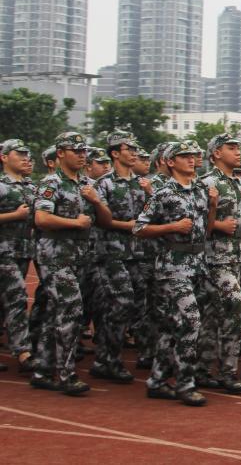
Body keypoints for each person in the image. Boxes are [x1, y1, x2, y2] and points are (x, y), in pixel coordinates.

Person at [133, 140, 218, 407]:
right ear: (170, 162)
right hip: (173, 265)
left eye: (193, 155)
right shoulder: (163, 193)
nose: (192, 159)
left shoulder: (201, 190)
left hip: (197, 263)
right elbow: (139, 228)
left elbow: (206, 229)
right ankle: (185, 383)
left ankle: (157, 381)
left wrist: (214, 205)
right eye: (184, 156)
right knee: (191, 320)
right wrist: (171, 227)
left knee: (173, 325)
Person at [30, 131, 111, 396]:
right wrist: (75, 223)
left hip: (80, 256)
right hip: (55, 256)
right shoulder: (51, 183)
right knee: (71, 309)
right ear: (60, 153)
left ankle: (42, 370)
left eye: (83, 151)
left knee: (57, 312)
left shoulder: (88, 184)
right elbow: (42, 219)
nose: (81, 155)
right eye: (76, 151)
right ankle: (66, 374)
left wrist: (96, 201)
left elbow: (105, 220)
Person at [198, 133, 241, 393]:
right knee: (235, 307)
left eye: (238, 147)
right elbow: (195, 221)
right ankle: (227, 371)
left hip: (237, 256)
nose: (238, 152)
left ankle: (203, 369)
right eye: (231, 148)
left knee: (213, 314)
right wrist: (218, 225)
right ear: (216, 153)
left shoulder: (240, 183)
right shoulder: (207, 183)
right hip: (215, 258)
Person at [91, 130, 148, 384]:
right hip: (111, 252)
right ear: (115, 153)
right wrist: (129, 226)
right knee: (120, 302)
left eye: (135, 149)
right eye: (129, 149)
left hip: (137, 253)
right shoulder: (103, 184)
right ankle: (108, 360)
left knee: (136, 305)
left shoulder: (142, 183)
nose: (134, 153)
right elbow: (101, 220)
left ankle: (106, 357)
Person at [0, 139, 42, 374]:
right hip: (3, 251)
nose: (26, 158)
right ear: (4, 157)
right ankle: (24, 352)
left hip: (23, 251)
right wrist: (13, 216)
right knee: (17, 296)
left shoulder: (30, 187)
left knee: (4, 300)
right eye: (20, 154)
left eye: (27, 154)